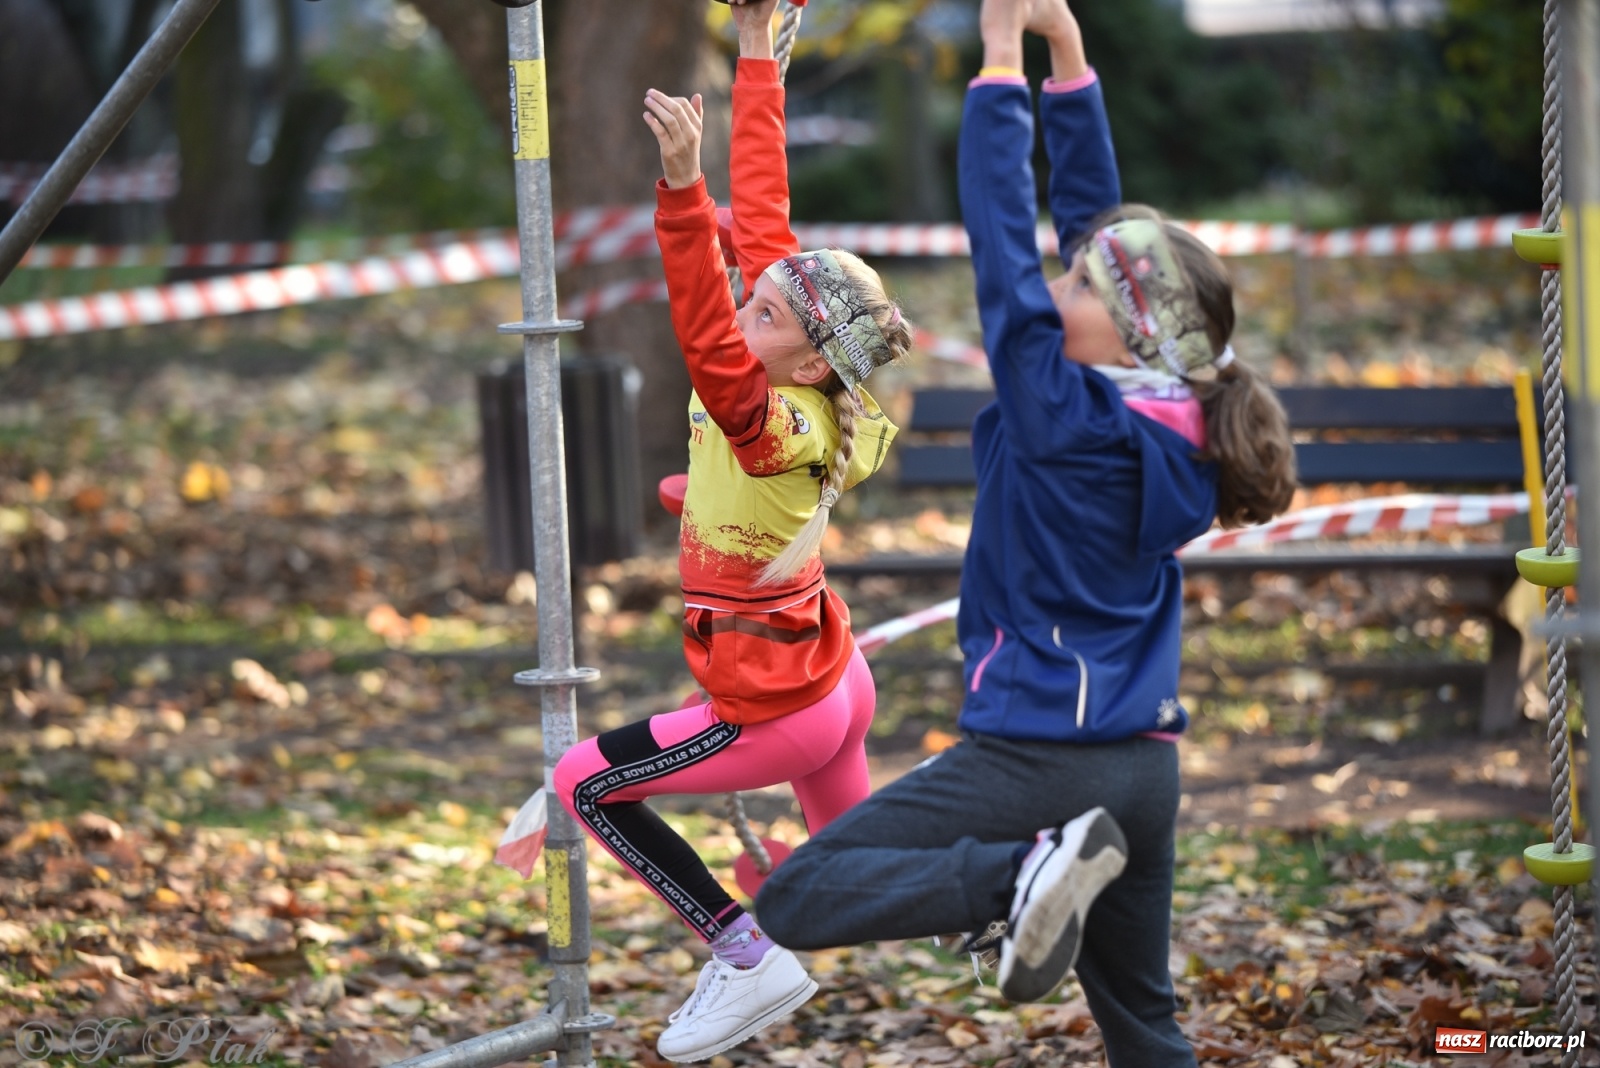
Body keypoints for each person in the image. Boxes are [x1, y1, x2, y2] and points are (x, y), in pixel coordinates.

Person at [754, 0, 1297, 1064]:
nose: (1059, 281)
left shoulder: (1064, 416)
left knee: (795, 896)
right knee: (1144, 1022)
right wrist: (1067, 54)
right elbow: (1094, 234)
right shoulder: (1174, 415)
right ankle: (1044, 870)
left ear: (1117, 327)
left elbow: (1000, 240)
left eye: (1079, 286)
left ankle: (1016, 880)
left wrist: (999, 65)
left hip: (1042, 764)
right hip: (1143, 767)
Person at [549, 1, 912, 1061]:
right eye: (754, 296)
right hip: (831, 680)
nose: (748, 300)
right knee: (859, 876)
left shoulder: (763, 413)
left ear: (802, 359)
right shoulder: (809, 375)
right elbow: (766, 222)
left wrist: (677, 191)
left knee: (582, 782)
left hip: (771, 704)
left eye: (766, 312)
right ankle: (1002, 899)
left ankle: (743, 954)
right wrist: (757, 58)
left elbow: (706, 334)